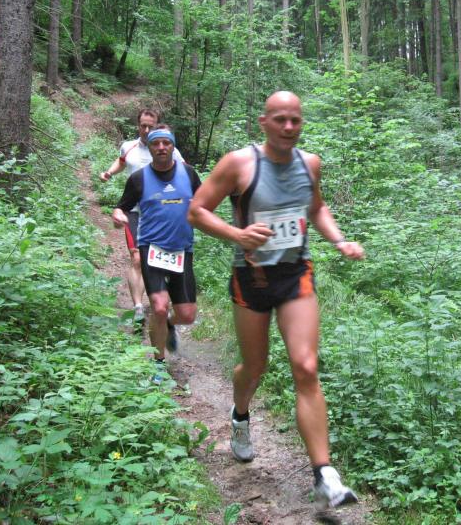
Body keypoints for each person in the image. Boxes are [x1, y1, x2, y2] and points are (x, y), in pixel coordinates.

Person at [188, 91, 365, 508]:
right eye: (280, 119)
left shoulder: (310, 163)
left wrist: (339, 240)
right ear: (263, 122)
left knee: (306, 367)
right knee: (255, 367)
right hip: (251, 278)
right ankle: (240, 414)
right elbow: (197, 211)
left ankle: (325, 475)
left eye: (295, 120)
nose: (288, 127)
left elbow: (316, 208)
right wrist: (237, 234)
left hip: (295, 274)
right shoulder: (239, 164)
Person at [112, 126, 200, 384]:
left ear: (173, 146)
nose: (161, 147)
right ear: (149, 148)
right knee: (159, 307)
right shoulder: (139, 178)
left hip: (182, 249)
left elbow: (205, 201)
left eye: (166, 143)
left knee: (187, 315)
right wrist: (117, 215)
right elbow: (122, 207)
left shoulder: (189, 174)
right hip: (151, 248)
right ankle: (159, 363)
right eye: (156, 144)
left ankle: (170, 325)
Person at [99, 109, 184, 328]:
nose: (146, 130)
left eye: (150, 126)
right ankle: (138, 307)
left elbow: (184, 172)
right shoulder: (129, 146)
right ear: (138, 125)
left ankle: (162, 300)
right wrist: (109, 173)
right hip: (134, 210)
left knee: (161, 256)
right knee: (136, 258)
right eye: (143, 125)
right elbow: (122, 162)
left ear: (157, 126)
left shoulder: (168, 148)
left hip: (162, 211)